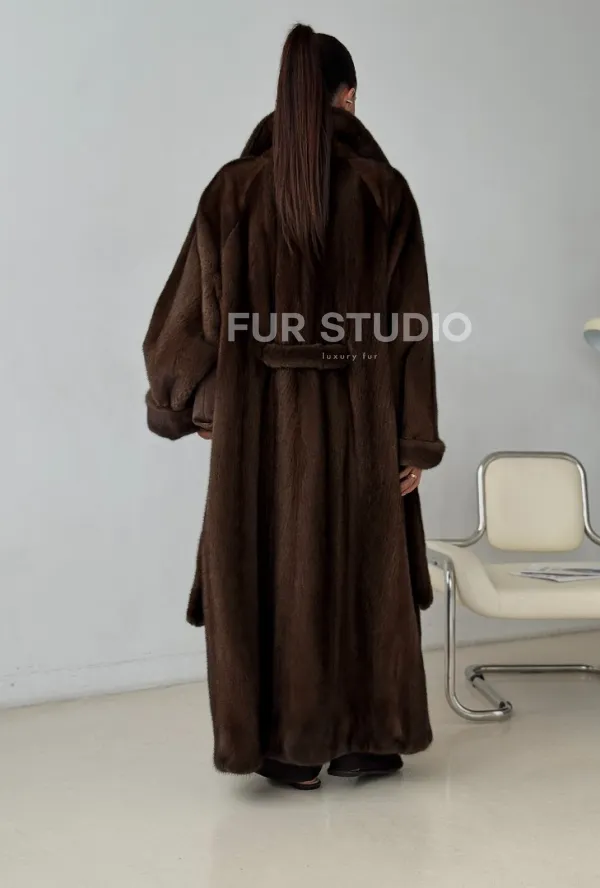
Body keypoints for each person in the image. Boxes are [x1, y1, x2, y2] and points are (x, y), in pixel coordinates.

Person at [143, 23, 445, 790]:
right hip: (365, 427)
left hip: (258, 433)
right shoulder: (384, 192)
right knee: (361, 571)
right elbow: (410, 329)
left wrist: (189, 403)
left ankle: (282, 748)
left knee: (269, 573)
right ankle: (367, 738)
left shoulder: (233, 191)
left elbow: (189, 322)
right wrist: (412, 440)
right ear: (349, 97)